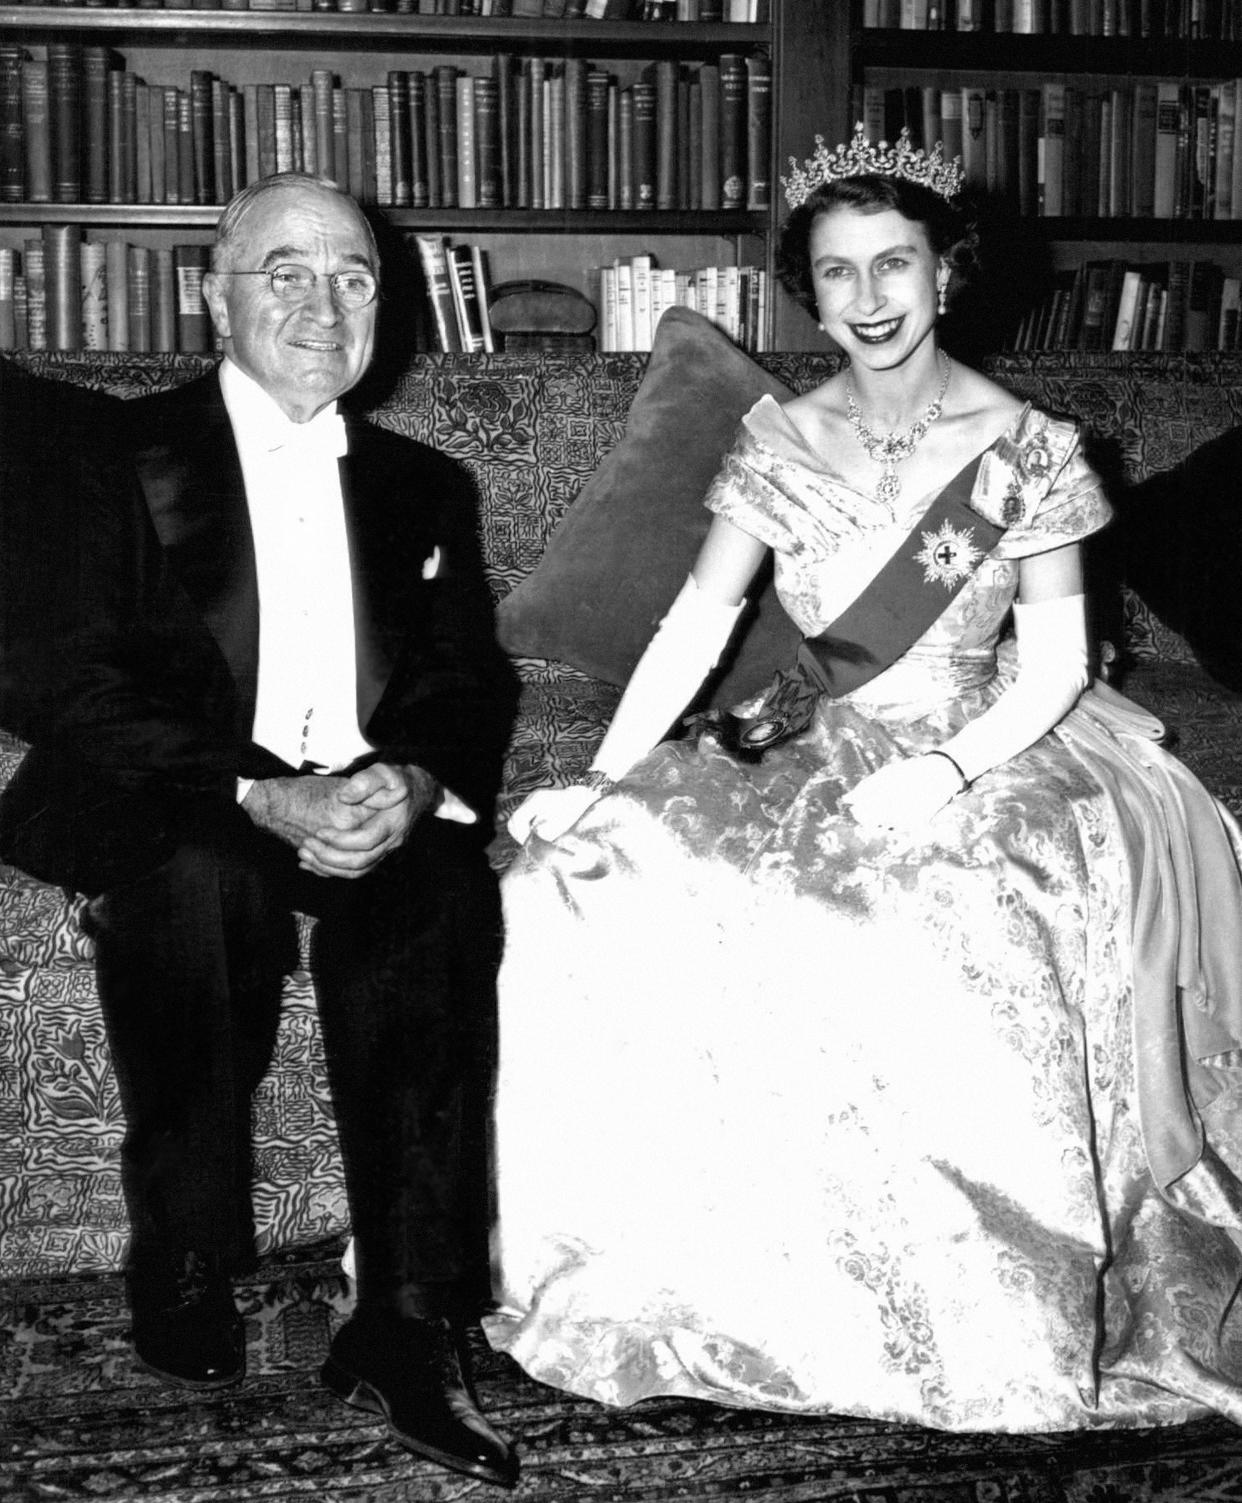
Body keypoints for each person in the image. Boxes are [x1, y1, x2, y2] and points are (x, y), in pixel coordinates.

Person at [482, 127, 1242, 1430]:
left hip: (987, 740)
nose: (870, 299)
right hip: (802, 736)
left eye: (895, 265)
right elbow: (691, 629)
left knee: (939, 921)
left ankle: (962, 1315)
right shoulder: (779, 438)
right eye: (838, 273)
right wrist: (606, 779)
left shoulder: (1025, 446)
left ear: (947, 274)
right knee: (587, 886)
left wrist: (946, 767)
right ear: (808, 289)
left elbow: (1053, 662)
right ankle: (710, 1280)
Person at [0, 172, 519, 1488]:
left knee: (440, 891)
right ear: (212, 297)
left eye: (352, 276)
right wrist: (253, 789)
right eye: (283, 270)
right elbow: (65, 675)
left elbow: (469, 680)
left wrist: (410, 783)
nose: (321, 300)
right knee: (200, 882)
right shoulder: (112, 453)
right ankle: (184, 1253)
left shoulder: (424, 484)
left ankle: (408, 1319)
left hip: (355, 787)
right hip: (180, 794)